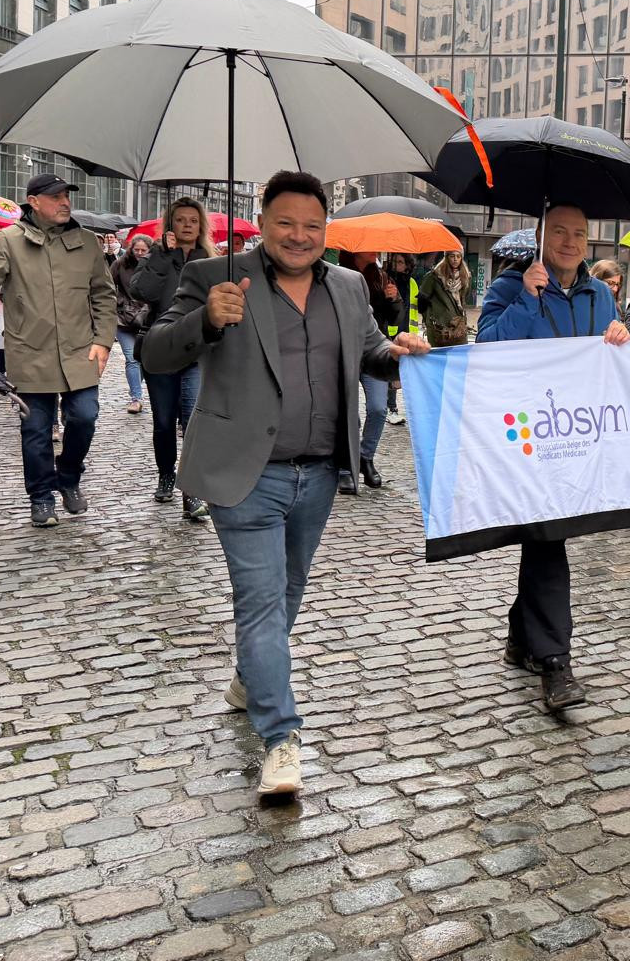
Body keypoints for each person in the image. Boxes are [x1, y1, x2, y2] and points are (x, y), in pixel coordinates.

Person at [143, 171, 430, 799]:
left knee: (288, 591)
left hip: (322, 472)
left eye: (311, 225)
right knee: (263, 600)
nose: (299, 236)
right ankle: (281, 737)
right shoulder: (213, 277)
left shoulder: (350, 286)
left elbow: (369, 352)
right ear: (262, 223)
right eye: (285, 223)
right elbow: (155, 353)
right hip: (245, 474)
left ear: (324, 230)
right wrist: (209, 323)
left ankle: (252, 673)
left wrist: (400, 354)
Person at [477, 204, 630, 711]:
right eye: (559, 232)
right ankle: (555, 662)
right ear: (540, 238)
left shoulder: (600, 295)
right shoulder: (510, 286)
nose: (569, 241)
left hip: (577, 438)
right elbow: (487, 348)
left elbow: (613, 365)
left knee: (546, 536)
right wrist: (526, 298)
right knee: (548, 541)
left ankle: (523, 634)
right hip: (528, 438)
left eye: (579, 234)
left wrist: (620, 340)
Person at [0, 175, 116, 528]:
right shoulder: (8, 241)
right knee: (36, 432)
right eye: (56, 196)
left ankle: (70, 475)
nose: (64, 202)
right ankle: (42, 496)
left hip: (80, 353)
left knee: (85, 417)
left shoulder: (88, 243)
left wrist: (103, 340)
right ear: (34, 201)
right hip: (30, 354)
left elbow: (105, 295)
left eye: (66, 196)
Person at [131, 199, 215, 520]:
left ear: (200, 225)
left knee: (192, 423)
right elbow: (142, 292)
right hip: (160, 349)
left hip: (195, 351)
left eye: (193, 220)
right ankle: (166, 474)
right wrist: (162, 256)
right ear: (170, 224)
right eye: (180, 220)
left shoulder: (208, 259)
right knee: (164, 421)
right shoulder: (158, 255)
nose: (188, 225)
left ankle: (190, 490)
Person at [336, 251, 399, 493]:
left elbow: (396, 317)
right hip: (345, 352)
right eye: (369, 246)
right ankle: (345, 466)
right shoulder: (337, 277)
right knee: (350, 413)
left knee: (378, 408)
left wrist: (392, 300)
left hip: (374, 349)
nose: (375, 250)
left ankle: (365, 457)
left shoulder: (381, 277)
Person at [111, 234, 152, 414]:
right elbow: (106, 286)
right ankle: (136, 398)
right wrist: (118, 301)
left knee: (142, 359)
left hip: (146, 319)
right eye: (137, 250)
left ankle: (136, 390)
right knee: (131, 358)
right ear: (131, 249)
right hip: (124, 319)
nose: (140, 253)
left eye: (144, 250)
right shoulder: (120, 264)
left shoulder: (155, 267)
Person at [384, 254, 419, 425]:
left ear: (407, 265)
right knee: (391, 371)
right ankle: (391, 408)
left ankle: (407, 409)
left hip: (407, 332)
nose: (397, 265)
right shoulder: (386, 281)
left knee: (403, 373)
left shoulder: (412, 283)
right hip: (390, 332)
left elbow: (414, 307)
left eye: (401, 262)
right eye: (395, 261)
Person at [417, 247, 470, 348]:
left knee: (459, 356)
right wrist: (429, 318)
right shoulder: (435, 276)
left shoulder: (465, 277)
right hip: (438, 327)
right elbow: (421, 300)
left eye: (458, 256)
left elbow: (463, 300)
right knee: (438, 357)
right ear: (446, 257)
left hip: (458, 325)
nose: (455, 259)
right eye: (452, 256)